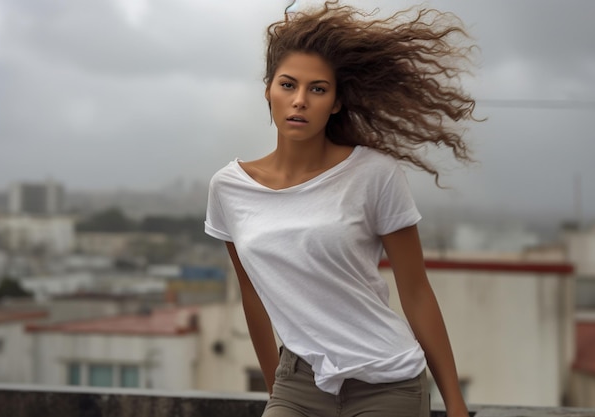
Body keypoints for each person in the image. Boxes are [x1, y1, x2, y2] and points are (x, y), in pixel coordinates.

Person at [205, 1, 478, 416]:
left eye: (317, 89)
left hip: (386, 382)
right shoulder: (229, 188)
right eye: (287, 85)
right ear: (268, 90)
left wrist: (455, 406)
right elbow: (253, 296)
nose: (300, 101)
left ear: (334, 102)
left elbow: (417, 292)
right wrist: (274, 390)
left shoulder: (374, 174)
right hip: (299, 383)